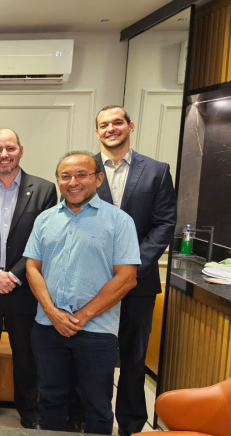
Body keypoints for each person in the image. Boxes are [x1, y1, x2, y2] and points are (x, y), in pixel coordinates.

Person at [24, 151, 140, 435]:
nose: (73, 182)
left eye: (81, 175)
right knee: (50, 399)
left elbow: (127, 278)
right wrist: (52, 312)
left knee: (97, 406)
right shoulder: (44, 220)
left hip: (96, 330)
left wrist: (81, 316)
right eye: (65, 176)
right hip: (47, 327)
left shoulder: (119, 221)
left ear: (98, 179)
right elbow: (32, 268)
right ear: (58, 181)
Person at [0, 129, 57, 429]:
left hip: (24, 287)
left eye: (10, 148)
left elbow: (43, 240)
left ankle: (29, 410)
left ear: (21, 150)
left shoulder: (44, 189)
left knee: (26, 353)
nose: (4, 154)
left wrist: (14, 275)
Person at [96, 106, 177, 436]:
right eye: (104, 125)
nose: (111, 128)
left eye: (117, 122)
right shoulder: (84, 169)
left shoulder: (157, 171)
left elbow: (164, 224)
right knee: (95, 355)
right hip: (94, 283)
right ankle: (94, 420)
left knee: (133, 358)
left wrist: (131, 267)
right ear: (97, 132)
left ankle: (130, 426)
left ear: (130, 126)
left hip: (138, 284)